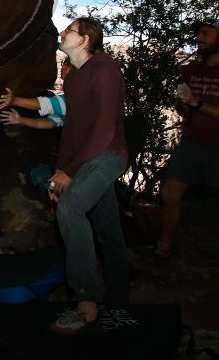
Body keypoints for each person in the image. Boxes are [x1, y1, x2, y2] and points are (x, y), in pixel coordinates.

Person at [157, 18, 219, 291]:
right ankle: (164, 249)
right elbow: (185, 107)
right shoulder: (190, 70)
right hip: (192, 142)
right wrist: (183, 105)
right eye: (198, 33)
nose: (199, 38)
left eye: (205, 33)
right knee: (171, 193)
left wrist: (196, 103)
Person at [47, 18, 129, 335]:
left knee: (71, 208)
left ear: (84, 40)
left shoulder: (105, 70)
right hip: (85, 157)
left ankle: (86, 301)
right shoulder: (73, 78)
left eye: (69, 30)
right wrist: (60, 169)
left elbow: (103, 131)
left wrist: (71, 171)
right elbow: (73, 131)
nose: (63, 32)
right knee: (108, 229)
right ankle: (120, 296)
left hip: (108, 154)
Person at [0, 58, 73, 129]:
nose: (63, 66)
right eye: (64, 63)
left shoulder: (70, 102)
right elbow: (47, 123)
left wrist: (14, 100)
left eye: (68, 64)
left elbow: (45, 104)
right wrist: (20, 120)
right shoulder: (68, 106)